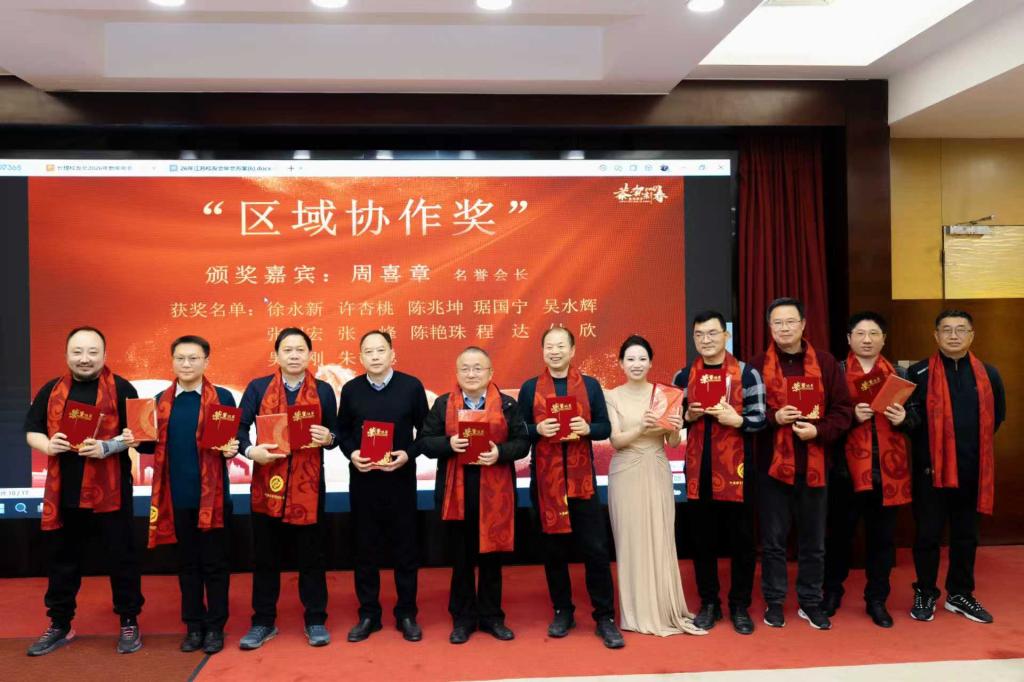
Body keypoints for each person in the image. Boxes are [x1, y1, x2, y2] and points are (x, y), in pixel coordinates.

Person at [24, 327, 144, 656]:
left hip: (111, 491)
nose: (85, 358)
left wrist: (108, 447)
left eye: (92, 352)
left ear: (105, 355)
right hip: (64, 492)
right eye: (77, 352)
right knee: (62, 560)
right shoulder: (52, 390)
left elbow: (143, 434)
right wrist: (49, 445)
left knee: (121, 558)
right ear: (67, 355)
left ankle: (129, 621)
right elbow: (32, 431)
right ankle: (60, 623)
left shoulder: (122, 388)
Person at [127, 335, 237, 653]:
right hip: (175, 499)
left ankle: (215, 628)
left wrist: (232, 448)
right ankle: (193, 626)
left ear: (206, 361)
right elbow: (150, 445)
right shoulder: (160, 400)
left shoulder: (223, 397)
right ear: (172, 361)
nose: (186, 364)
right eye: (180, 358)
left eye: (193, 358)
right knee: (187, 566)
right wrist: (135, 440)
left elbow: (229, 441)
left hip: (214, 499)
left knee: (215, 566)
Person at [518, 326, 624, 649]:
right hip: (546, 482)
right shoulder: (530, 388)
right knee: (554, 550)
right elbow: (519, 431)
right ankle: (563, 611)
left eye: (560, 346)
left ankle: (604, 617)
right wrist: (537, 429)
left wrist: (587, 428)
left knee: (595, 549)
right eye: (549, 346)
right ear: (542, 351)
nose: (554, 351)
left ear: (573, 350)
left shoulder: (590, 386)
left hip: (582, 482)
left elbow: (605, 427)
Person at [750, 298, 852, 630]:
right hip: (772, 468)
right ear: (770, 327)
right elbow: (746, 414)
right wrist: (773, 417)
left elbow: (843, 412)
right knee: (773, 542)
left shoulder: (825, 363)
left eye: (790, 322)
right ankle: (775, 601)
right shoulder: (756, 365)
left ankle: (810, 601)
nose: (784, 328)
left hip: (815, 465)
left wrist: (818, 431)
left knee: (813, 542)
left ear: (803, 324)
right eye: (777, 323)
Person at [416, 346, 530, 644]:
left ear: (490, 373)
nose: (471, 373)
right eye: (465, 368)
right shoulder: (443, 404)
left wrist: (499, 452)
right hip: (457, 491)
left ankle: (492, 617)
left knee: (491, 557)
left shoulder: (507, 405)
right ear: (457, 373)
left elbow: (523, 443)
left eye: (478, 368)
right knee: (462, 558)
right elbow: (425, 442)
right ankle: (463, 618)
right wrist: (449, 444)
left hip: (495, 491)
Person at [236, 327, 338, 649]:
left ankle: (315, 619)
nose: (294, 355)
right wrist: (251, 451)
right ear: (276, 355)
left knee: (312, 557)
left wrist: (329, 438)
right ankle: (263, 621)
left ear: (310, 355)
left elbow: (335, 434)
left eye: (300, 350)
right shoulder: (258, 388)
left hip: (309, 487)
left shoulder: (323, 391)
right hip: (268, 484)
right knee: (265, 557)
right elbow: (238, 429)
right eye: (287, 350)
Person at [903, 310, 1005, 624]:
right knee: (928, 536)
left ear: (972, 335)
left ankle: (960, 593)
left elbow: (997, 417)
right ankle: (925, 591)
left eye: (961, 330)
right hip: (930, 473)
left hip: (972, 471)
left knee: (966, 536)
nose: (953, 336)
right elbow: (909, 422)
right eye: (946, 330)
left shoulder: (989, 375)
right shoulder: (918, 373)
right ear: (935, 335)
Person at [606, 335, 705, 637]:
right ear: (621, 364)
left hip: (657, 468)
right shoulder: (611, 396)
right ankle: (635, 611)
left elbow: (672, 441)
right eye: (630, 359)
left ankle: (663, 608)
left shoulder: (665, 394)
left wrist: (675, 427)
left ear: (650, 363)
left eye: (642, 359)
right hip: (626, 471)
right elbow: (615, 440)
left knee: (661, 537)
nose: (636, 364)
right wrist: (641, 427)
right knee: (630, 540)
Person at [674, 310, 766, 635]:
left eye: (712, 333)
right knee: (703, 541)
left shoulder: (747, 373)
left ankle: (739, 605)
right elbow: (673, 420)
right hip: (698, 469)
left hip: (738, 471)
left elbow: (761, 418)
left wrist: (737, 420)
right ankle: (709, 603)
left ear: (725, 336)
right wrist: (688, 416)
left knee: (742, 541)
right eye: (699, 334)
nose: (706, 340)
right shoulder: (683, 376)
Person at [336, 330, 429, 643]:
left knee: (406, 550)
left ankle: (406, 614)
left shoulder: (411, 386)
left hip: (400, 481)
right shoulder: (351, 390)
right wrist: (352, 453)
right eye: (368, 351)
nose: (375, 356)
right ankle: (369, 615)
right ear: (360, 357)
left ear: (392, 354)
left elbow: (426, 432)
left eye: (380, 350)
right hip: (364, 482)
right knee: (364, 551)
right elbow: (342, 432)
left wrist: (407, 454)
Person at [823, 312, 911, 628]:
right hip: (845, 472)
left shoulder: (900, 374)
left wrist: (904, 419)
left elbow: (919, 421)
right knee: (839, 538)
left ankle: (877, 600)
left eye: (874, 333)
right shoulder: (836, 372)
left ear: (884, 339)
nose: (867, 339)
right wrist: (851, 417)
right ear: (849, 339)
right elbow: (822, 420)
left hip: (887, 472)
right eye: (860, 333)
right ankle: (831, 593)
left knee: (882, 541)